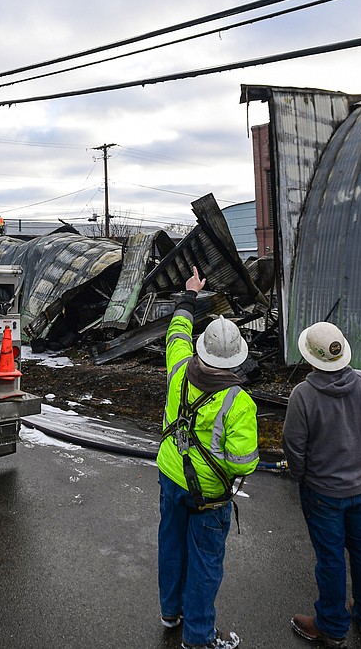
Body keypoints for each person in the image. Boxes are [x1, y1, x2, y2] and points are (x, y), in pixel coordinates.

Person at [157, 266, 259, 649]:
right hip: (209, 495)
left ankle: (171, 613)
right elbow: (244, 462)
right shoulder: (238, 402)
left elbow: (177, 333)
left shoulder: (179, 368)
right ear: (236, 360)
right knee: (205, 561)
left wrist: (189, 295)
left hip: (170, 476)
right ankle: (198, 637)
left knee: (171, 545)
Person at [283, 321, 361, 646]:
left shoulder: (303, 395)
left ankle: (330, 625)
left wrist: (301, 474)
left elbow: (294, 447)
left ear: (310, 358)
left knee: (330, 557)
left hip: (323, 492)